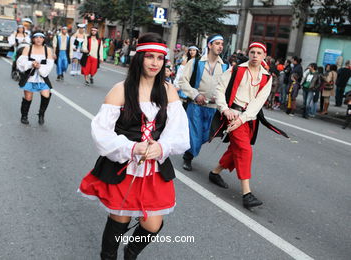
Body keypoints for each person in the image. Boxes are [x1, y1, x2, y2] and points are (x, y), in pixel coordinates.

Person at [78, 32, 190, 259]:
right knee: (120, 220)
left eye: (159, 59)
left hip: (154, 170)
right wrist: (132, 148)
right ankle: (108, 257)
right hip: (124, 167)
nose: (155, 63)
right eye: (150, 57)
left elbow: (178, 132)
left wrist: (161, 147)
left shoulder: (168, 91)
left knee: (152, 225)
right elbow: (100, 132)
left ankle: (131, 251)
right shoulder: (120, 89)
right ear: (140, 59)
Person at [209, 41, 288, 208]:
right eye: (252, 52)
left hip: (248, 119)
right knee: (245, 150)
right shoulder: (236, 69)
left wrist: (242, 119)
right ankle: (247, 194)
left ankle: (215, 173)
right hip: (232, 114)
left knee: (235, 149)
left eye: (259, 53)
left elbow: (258, 103)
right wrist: (225, 109)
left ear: (264, 56)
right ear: (248, 53)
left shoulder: (266, 77)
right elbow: (220, 89)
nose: (255, 56)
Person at [179, 35, 227, 171]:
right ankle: (188, 157)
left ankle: (190, 149)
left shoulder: (225, 66)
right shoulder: (195, 62)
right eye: (217, 43)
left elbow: (226, 87)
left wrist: (220, 99)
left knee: (207, 135)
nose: (220, 46)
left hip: (213, 108)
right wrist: (196, 94)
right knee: (195, 133)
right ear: (210, 45)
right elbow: (183, 81)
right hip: (196, 106)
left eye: (222, 44)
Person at [17, 31, 54, 125]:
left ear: (44, 39)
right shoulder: (27, 48)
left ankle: (41, 115)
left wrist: (40, 67)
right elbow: (21, 63)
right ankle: (24, 116)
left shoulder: (48, 50)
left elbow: (50, 65)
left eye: (41, 37)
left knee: (46, 94)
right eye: (36, 37)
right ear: (33, 39)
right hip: (30, 77)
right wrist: (31, 64)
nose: (38, 39)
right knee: (28, 97)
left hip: (42, 77)